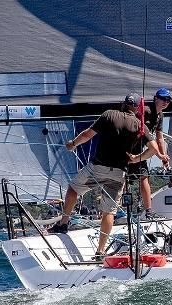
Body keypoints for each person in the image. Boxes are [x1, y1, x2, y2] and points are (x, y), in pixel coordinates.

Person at [49, 93, 158, 259]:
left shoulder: (108, 114)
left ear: (123, 104)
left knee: (73, 190)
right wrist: (137, 158)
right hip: (118, 173)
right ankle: (100, 251)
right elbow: (154, 149)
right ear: (137, 108)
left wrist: (72, 144)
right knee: (109, 212)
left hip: (97, 168)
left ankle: (63, 224)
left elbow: (87, 134)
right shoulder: (139, 124)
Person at [127, 87, 172, 219]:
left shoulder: (160, 115)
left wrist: (164, 158)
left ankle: (148, 210)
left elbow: (159, 138)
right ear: (156, 99)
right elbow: (145, 135)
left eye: (168, 100)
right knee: (124, 180)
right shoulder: (146, 111)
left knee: (144, 177)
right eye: (163, 99)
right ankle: (119, 211)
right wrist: (160, 156)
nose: (166, 102)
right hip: (128, 149)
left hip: (141, 150)